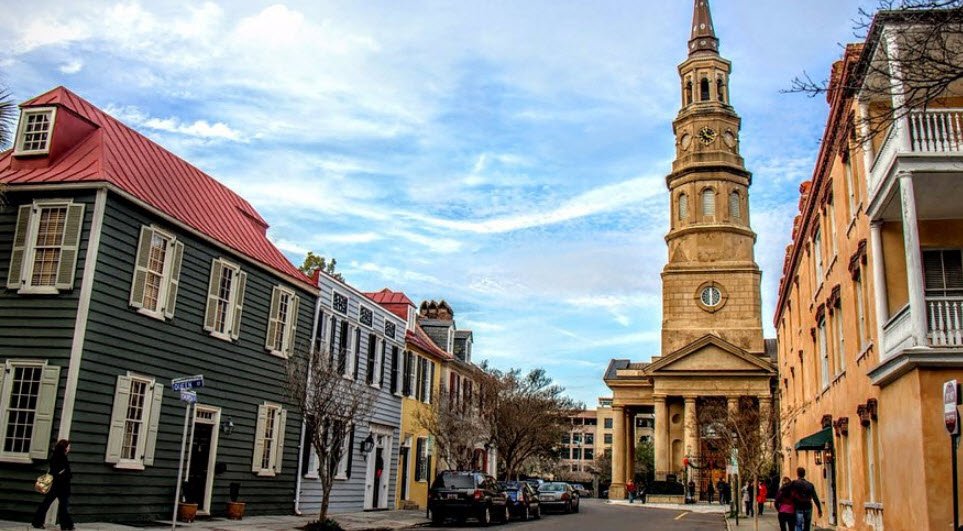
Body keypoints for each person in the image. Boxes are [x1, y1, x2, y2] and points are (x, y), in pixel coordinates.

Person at [33, 439, 74, 530]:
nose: (69, 448)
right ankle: (66, 525)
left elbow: (54, 471)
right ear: (65, 448)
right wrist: (67, 475)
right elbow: (64, 473)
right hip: (61, 486)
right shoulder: (62, 458)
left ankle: (37, 522)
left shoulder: (55, 456)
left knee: (46, 504)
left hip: (55, 485)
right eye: (68, 447)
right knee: (63, 506)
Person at [790, 467, 822, 531]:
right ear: (804, 474)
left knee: (798, 525)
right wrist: (819, 509)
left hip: (798, 507)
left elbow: (789, 494)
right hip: (808, 507)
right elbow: (815, 497)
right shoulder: (810, 485)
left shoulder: (794, 483)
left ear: (797, 474)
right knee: (807, 526)